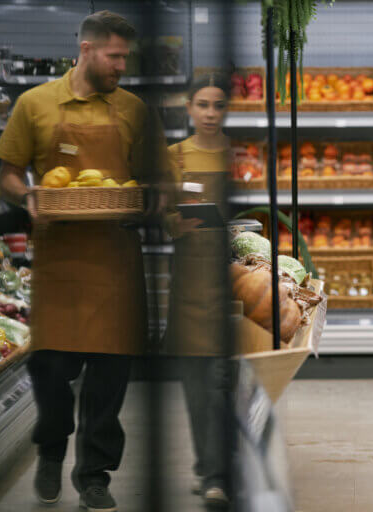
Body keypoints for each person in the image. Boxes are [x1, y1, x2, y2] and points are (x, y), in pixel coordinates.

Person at [0, 10, 156, 512]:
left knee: (108, 385)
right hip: (60, 263)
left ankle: (94, 477)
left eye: (125, 57)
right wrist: (30, 197)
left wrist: (155, 200)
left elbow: (155, 180)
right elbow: (9, 173)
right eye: (114, 56)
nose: (120, 66)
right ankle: (50, 447)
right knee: (50, 371)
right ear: (85, 50)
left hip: (117, 262)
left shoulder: (134, 109)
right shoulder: (35, 104)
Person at [164, 72, 233, 508]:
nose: (210, 113)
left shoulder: (242, 155)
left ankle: (220, 468)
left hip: (238, 281)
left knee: (226, 382)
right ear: (189, 108)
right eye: (202, 105)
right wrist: (175, 222)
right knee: (198, 383)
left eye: (219, 105)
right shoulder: (172, 157)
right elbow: (160, 215)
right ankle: (210, 471)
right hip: (191, 281)